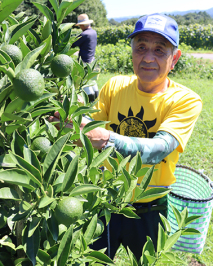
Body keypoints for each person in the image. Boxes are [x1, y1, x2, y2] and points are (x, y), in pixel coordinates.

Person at [50, 13, 202, 261]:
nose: (148, 57)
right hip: (104, 199)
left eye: (159, 50)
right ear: (132, 51)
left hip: (149, 206)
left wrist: (108, 139)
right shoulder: (114, 86)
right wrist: (71, 120)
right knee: (90, 259)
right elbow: (89, 132)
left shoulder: (185, 100)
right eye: (141, 47)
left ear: (174, 59)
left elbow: (160, 148)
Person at [72, 13, 99, 101]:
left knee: (83, 81)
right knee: (92, 81)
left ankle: (90, 101)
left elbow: (73, 44)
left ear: (82, 25)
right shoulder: (93, 32)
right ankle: (96, 99)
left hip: (84, 61)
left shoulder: (84, 34)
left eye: (80, 25)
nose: (80, 27)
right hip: (92, 60)